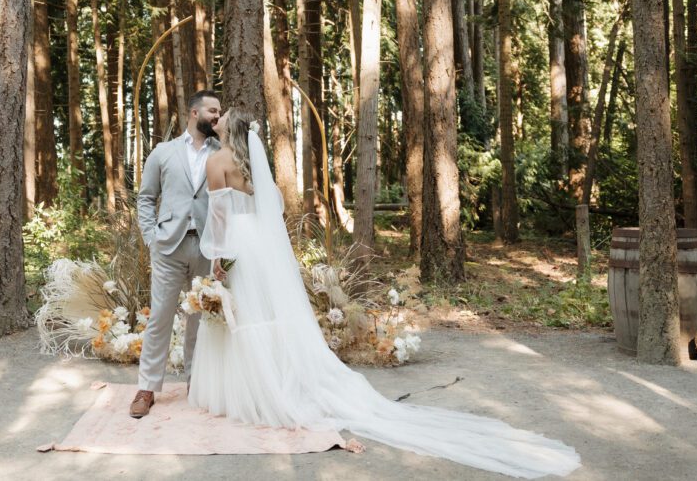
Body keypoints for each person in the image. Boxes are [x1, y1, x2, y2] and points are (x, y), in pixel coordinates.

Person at [188, 108, 582, 479]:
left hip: (238, 244)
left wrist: (216, 258)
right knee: (261, 316)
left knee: (241, 316)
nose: (216, 118)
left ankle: (253, 393)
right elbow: (268, 205)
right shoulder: (249, 164)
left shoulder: (214, 161)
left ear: (228, 129)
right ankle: (273, 380)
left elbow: (219, 217)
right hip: (261, 247)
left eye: (221, 116)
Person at [130, 90, 221, 418]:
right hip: (168, 246)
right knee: (160, 317)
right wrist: (151, 238)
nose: (217, 117)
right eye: (213, 111)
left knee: (202, 318)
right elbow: (145, 197)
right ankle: (147, 387)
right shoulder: (163, 152)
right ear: (194, 113)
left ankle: (196, 383)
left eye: (219, 112)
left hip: (207, 247)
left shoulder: (222, 151)